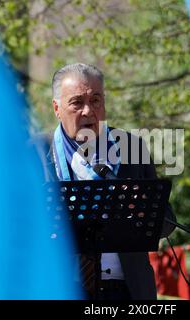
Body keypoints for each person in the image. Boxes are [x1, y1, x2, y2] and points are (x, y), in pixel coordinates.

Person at [44, 63, 176, 300]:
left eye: (96, 100)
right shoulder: (34, 155)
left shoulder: (131, 147)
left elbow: (168, 225)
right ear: (56, 108)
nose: (88, 111)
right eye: (77, 102)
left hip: (128, 291)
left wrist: (144, 209)